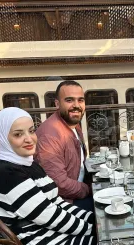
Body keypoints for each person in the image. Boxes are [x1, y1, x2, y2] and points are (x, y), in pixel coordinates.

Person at [0, 107, 101, 245]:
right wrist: (94, 228)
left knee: (110, 243)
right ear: (3, 137)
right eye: (18, 134)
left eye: (31, 131)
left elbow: (58, 204)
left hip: (55, 240)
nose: (29, 138)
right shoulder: (6, 175)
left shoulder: (27, 163)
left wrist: (95, 219)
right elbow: (52, 216)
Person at [34, 80, 93, 211]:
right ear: (57, 104)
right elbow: (59, 184)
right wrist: (89, 189)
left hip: (75, 193)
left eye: (80, 100)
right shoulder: (50, 136)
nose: (76, 105)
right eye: (69, 100)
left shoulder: (72, 124)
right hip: (62, 204)